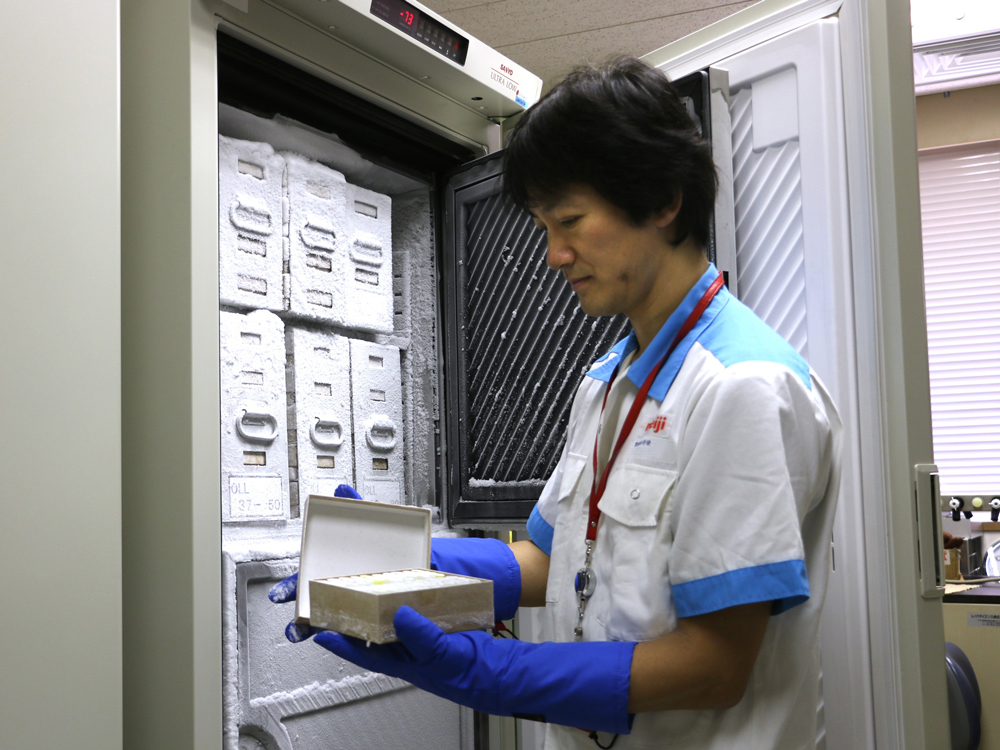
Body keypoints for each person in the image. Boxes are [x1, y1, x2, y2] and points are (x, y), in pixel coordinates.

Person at [270, 57, 842, 750]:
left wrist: (498, 672)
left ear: (663, 201)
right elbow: (551, 560)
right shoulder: (607, 381)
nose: (553, 255)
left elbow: (715, 668)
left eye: (569, 221)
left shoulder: (741, 388)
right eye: (544, 226)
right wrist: (396, 561)